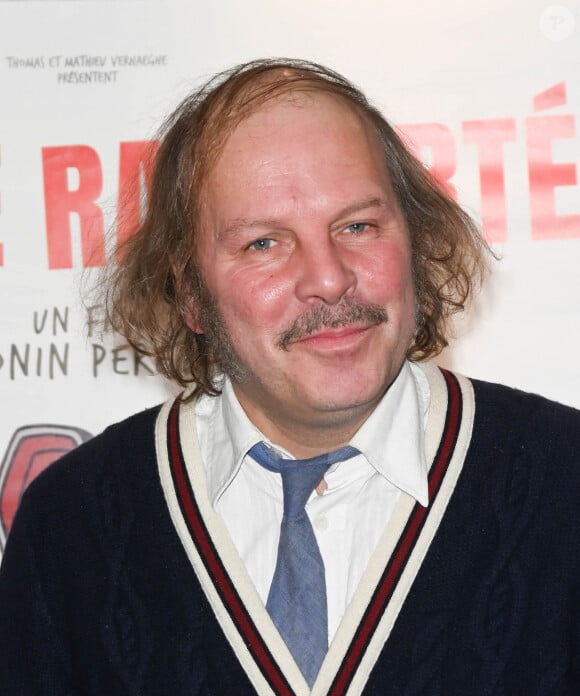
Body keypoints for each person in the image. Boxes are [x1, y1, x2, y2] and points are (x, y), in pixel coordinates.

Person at [1, 58, 579, 696]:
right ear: (189, 292)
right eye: (264, 244)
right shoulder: (70, 526)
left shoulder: (565, 477)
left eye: (358, 226)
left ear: (416, 241)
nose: (329, 278)